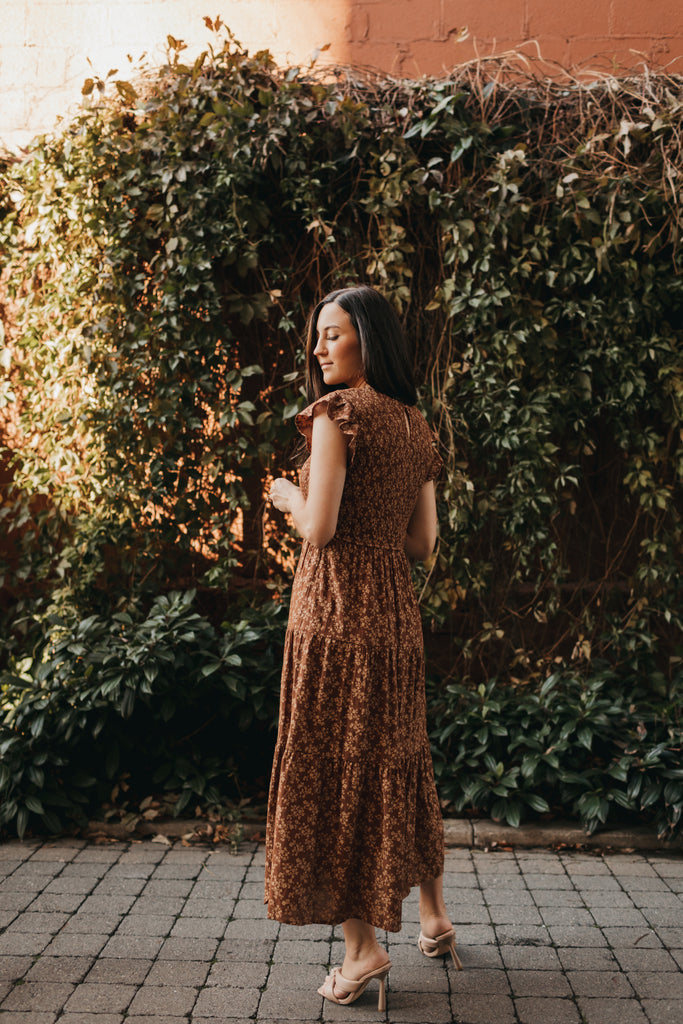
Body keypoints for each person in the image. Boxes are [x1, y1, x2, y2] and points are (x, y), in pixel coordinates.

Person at [265, 285, 462, 1010]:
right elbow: (421, 544)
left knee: (331, 767)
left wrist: (288, 495)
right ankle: (434, 919)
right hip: (392, 617)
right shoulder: (416, 426)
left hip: (335, 611)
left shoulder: (335, 415)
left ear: (366, 341)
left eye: (333, 336)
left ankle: (362, 949)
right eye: (318, 337)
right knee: (398, 757)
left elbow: (317, 530)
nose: (319, 349)